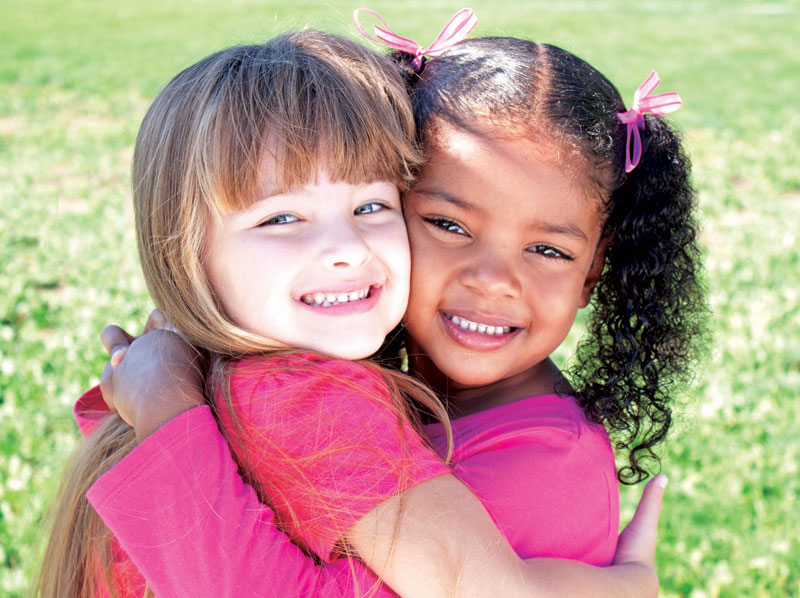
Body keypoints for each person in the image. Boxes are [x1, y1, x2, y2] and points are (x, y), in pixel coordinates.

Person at [36, 13, 702, 598]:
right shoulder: (299, 384)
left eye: (550, 251)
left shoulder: (542, 469)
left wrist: (165, 409)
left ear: (595, 271)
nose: (494, 280)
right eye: (447, 224)